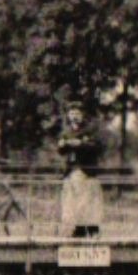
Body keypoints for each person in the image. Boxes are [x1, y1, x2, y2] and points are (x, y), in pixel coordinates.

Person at [57, 100, 104, 238]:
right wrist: (63, 144)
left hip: (86, 171)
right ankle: (77, 229)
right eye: (72, 113)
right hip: (71, 171)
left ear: (83, 115)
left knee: (87, 202)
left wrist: (81, 144)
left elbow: (97, 147)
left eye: (77, 113)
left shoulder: (90, 130)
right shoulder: (66, 132)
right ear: (68, 116)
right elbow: (61, 150)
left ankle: (91, 229)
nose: (74, 116)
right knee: (71, 202)